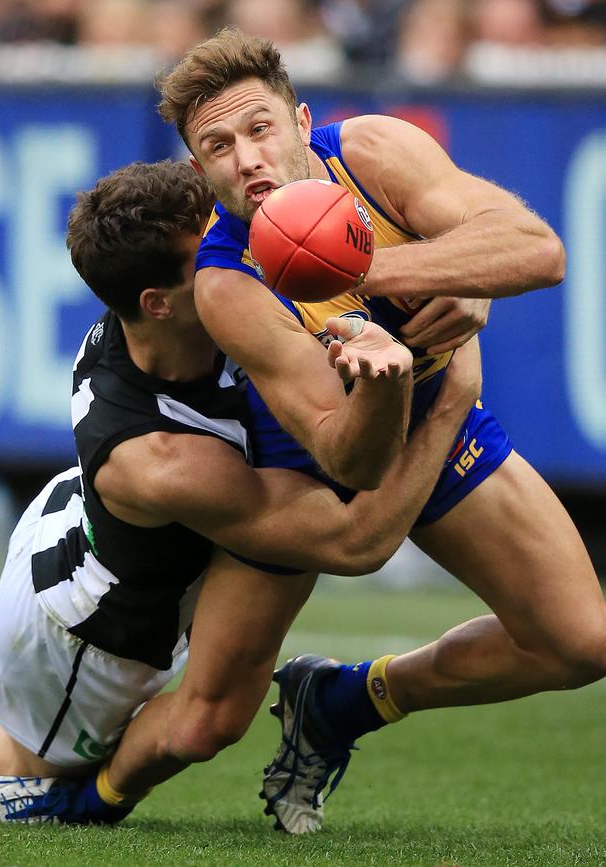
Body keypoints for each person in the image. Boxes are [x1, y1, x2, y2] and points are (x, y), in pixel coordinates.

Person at [153, 28, 605, 834]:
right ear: (198, 171)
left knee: (583, 642)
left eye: (260, 129)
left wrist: (389, 272)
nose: (248, 158)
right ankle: (65, 787)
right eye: (217, 145)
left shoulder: (372, 149)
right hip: (297, 459)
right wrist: (398, 365)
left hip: (427, 405)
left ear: (300, 121)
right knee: (203, 723)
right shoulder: (225, 283)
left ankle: (340, 699)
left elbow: (538, 249)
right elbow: (345, 458)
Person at [0, 159, 482, 824]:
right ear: (159, 302)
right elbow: (356, 540)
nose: (240, 256)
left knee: (14, 631)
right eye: (211, 251)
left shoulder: (183, 321)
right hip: (93, 638)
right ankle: (58, 788)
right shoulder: (164, 457)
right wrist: (450, 400)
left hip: (66, 541)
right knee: (31, 754)